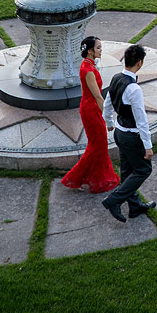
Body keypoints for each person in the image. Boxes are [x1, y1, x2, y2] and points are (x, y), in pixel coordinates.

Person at [101, 44, 156, 222]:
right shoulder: (134, 89)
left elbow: (107, 105)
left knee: (127, 171)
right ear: (139, 62)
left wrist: (109, 123)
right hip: (132, 136)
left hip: (119, 133)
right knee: (143, 169)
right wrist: (148, 146)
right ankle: (114, 200)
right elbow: (141, 120)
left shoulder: (116, 78)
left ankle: (134, 206)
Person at [60, 35, 120, 194]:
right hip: (91, 110)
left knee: (98, 145)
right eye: (98, 47)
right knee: (97, 145)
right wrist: (108, 119)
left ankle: (94, 177)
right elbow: (98, 96)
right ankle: (75, 177)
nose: (101, 50)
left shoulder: (88, 66)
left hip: (90, 107)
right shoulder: (88, 70)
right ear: (90, 50)